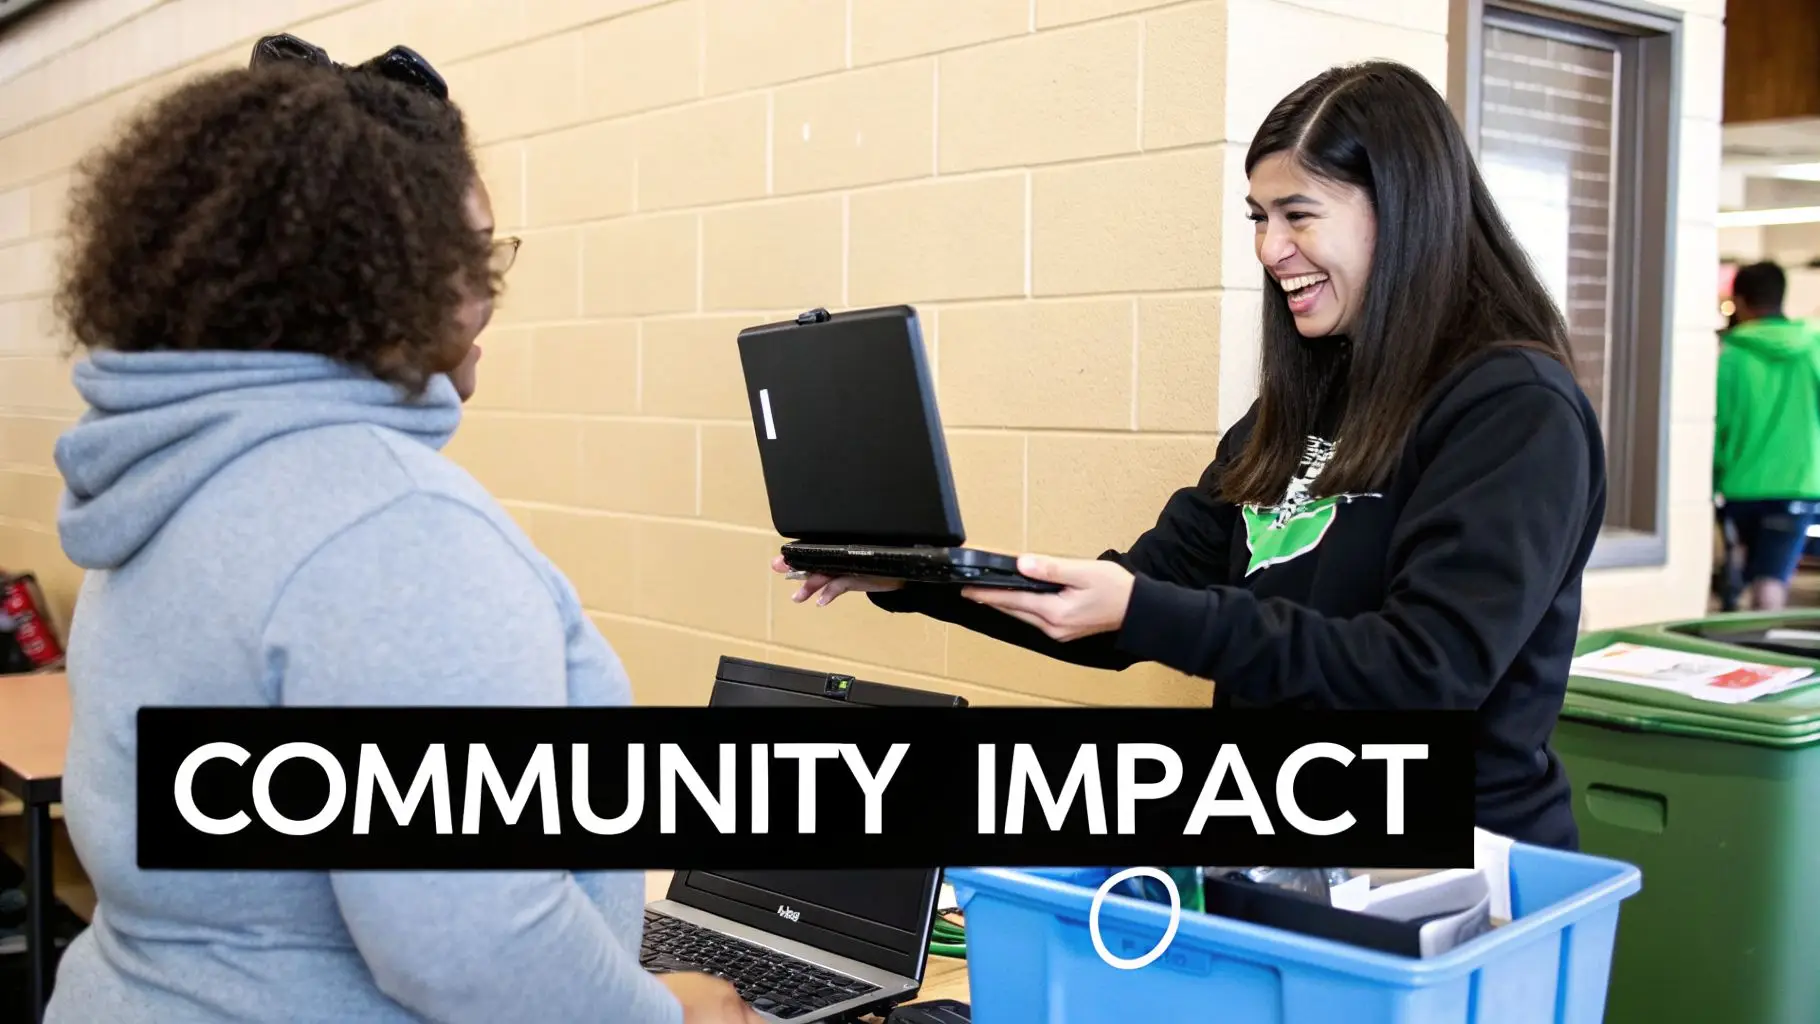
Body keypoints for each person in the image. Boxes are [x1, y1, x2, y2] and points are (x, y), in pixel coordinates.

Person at [45, 36, 756, 1024]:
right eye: (469, 256)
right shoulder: (389, 525)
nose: (486, 295)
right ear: (368, 274)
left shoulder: (170, 484)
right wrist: (662, 1017)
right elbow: (472, 942)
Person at [777, 60, 1607, 852]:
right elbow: (1131, 602)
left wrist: (1142, 608)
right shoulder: (1294, 414)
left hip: (1448, 879)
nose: (1270, 248)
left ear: (1401, 209)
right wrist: (927, 580)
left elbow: (1423, 673)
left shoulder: (1512, 409)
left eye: (1299, 213)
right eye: (1258, 217)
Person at [1714, 261, 1820, 611]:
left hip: (1741, 487)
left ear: (1740, 302)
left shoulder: (1730, 356)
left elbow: (1718, 424)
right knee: (1771, 581)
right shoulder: (1813, 349)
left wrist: (1714, 476)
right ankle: (1762, 657)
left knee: (1739, 574)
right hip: (1798, 485)